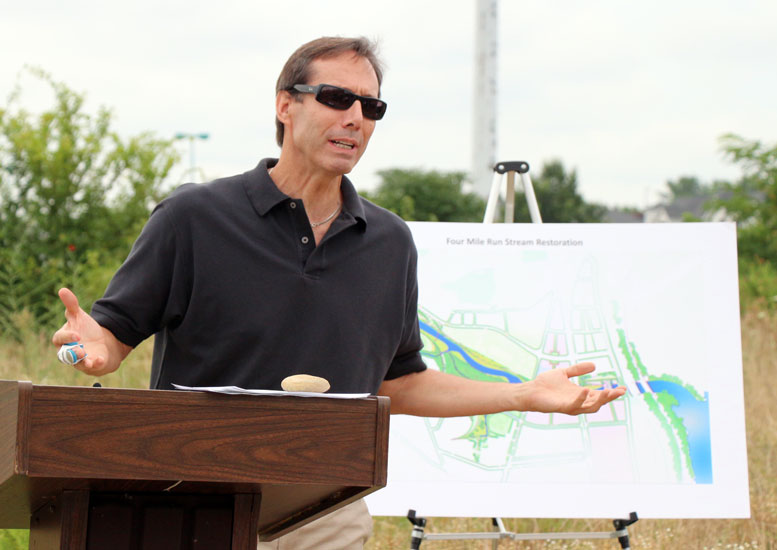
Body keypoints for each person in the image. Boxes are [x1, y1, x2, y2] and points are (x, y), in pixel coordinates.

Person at [52, 36, 626, 550]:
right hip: (194, 497)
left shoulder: (391, 243)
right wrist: (91, 346)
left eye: (371, 107)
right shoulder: (193, 218)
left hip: (324, 510)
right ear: (285, 104)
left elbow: (398, 382)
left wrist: (523, 394)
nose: (355, 117)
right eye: (335, 98)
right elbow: (111, 336)